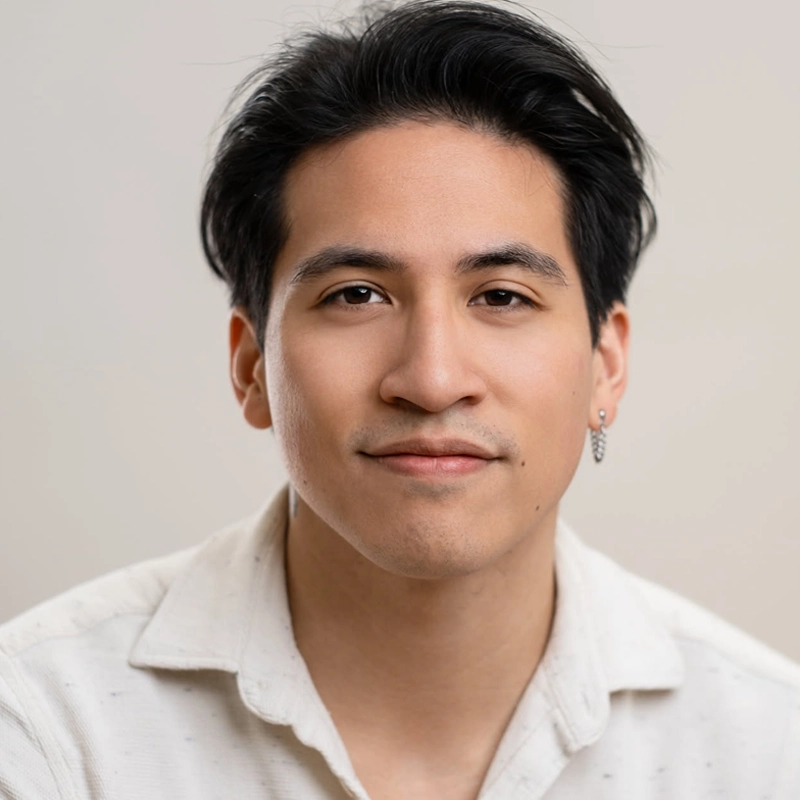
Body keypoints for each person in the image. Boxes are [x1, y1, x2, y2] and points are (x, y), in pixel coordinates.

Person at [1, 1, 798, 797]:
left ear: (606, 365)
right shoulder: (44, 727)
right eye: (356, 295)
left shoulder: (766, 747)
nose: (431, 377)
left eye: (503, 296)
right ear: (250, 367)